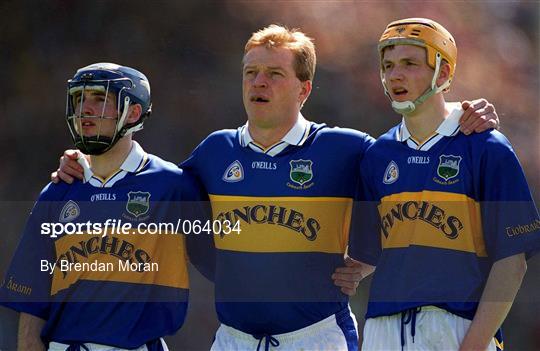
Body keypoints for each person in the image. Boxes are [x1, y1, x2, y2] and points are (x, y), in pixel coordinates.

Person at [52, 25, 498, 350]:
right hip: (232, 340)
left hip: (318, 337)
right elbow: (152, 185)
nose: (258, 83)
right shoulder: (215, 151)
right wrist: (84, 162)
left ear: (304, 89)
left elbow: (414, 163)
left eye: (273, 74)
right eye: (251, 73)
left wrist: (460, 112)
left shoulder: (346, 148)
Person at [348, 18, 540, 350]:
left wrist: (474, 344)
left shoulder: (486, 147)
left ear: (445, 73)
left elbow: (512, 263)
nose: (395, 75)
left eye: (409, 64)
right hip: (383, 329)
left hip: (458, 329)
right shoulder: (378, 155)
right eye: (388, 65)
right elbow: (369, 255)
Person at [0, 63, 208, 351]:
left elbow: (225, 261)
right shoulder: (57, 191)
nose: (85, 108)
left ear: (133, 113)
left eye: (100, 99)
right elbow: (33, 292)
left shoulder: (172, 185)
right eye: (79, 99)